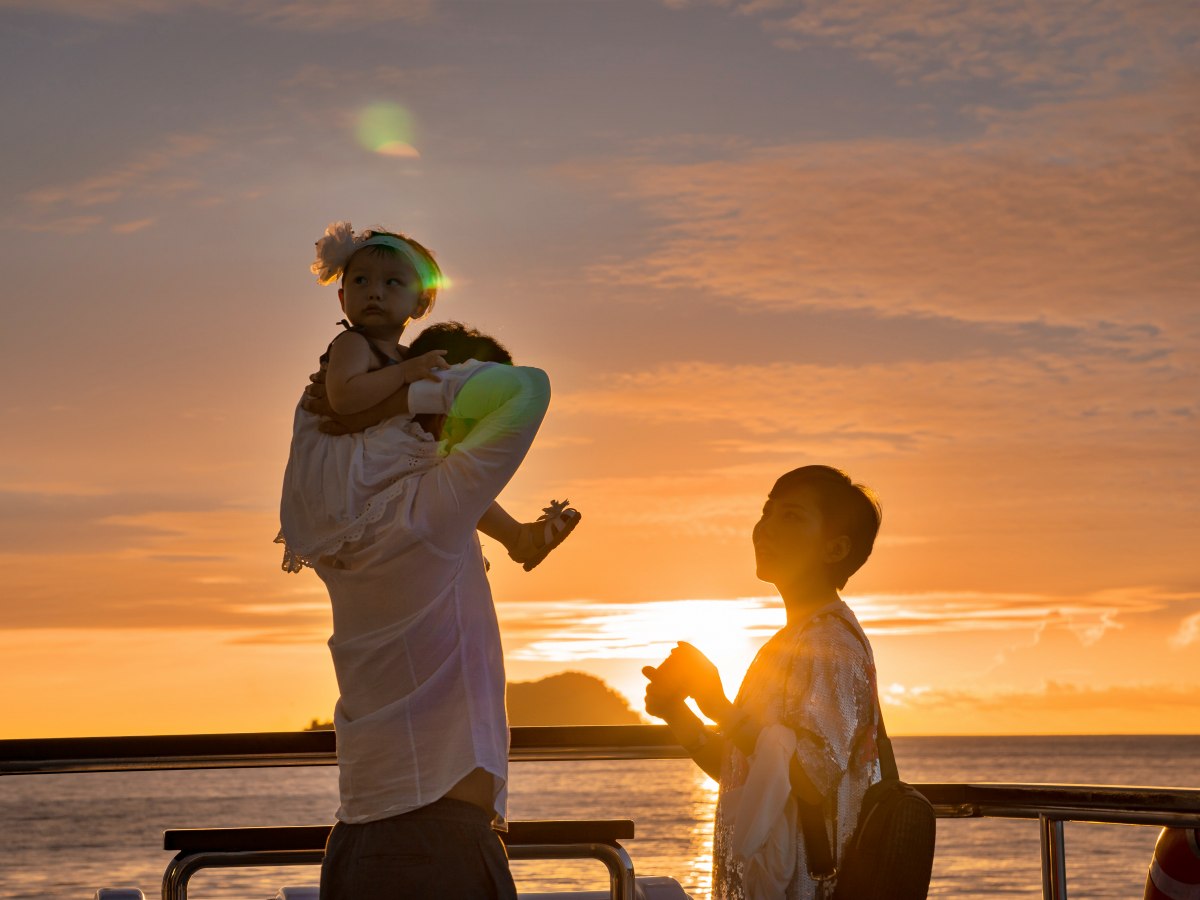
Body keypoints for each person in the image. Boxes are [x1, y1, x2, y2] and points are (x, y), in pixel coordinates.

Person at [276, 225, 566, 900]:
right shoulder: (425, 513)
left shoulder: (366, 515)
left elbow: (440, 472)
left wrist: (521, 538)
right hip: (429, 845)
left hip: (366, 838)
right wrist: (422, 387)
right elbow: (527, 390)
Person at [277, 220, 579, 576]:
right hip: (346, 472)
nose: (374, 292)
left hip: (366, 468)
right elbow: (343, 400)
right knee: (436, 463)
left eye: (392, 282)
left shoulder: (396, 357)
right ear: (343, 298)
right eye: (361, 280)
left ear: (420, 304)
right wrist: (406, 373)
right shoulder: (353, 343)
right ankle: (491, 538)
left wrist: (408, 368)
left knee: (437, 462)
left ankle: (506, 538)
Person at [643, 465, 884, 900]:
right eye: (766, 512)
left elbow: (809, 779)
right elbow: (751, 775)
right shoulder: (792, 641)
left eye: (790, 516)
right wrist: (678, 713)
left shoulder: (831, 645)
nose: (764, 528)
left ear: (836, 548)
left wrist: (718, 705)